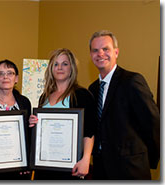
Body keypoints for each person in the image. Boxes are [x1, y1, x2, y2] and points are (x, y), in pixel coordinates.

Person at [88, 30, 160, 179]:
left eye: (105, 49)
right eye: (95, 50)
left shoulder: (132, 81)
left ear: (116, 52)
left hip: (130, 170)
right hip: (101, 169)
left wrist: (148, 159)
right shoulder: (92, 89)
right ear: (91, 55)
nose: (100, 54)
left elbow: (153, 122)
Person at [29, 48, 96, 180]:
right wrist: (34, 123)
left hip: (70, 166)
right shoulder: (44, 97)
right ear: (51, 69)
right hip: (45, 164)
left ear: (72, 68)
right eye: (56, 64)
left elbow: (90, 131)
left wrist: (86, 159)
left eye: (65, 64)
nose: (60, 67)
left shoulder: (82, 95)